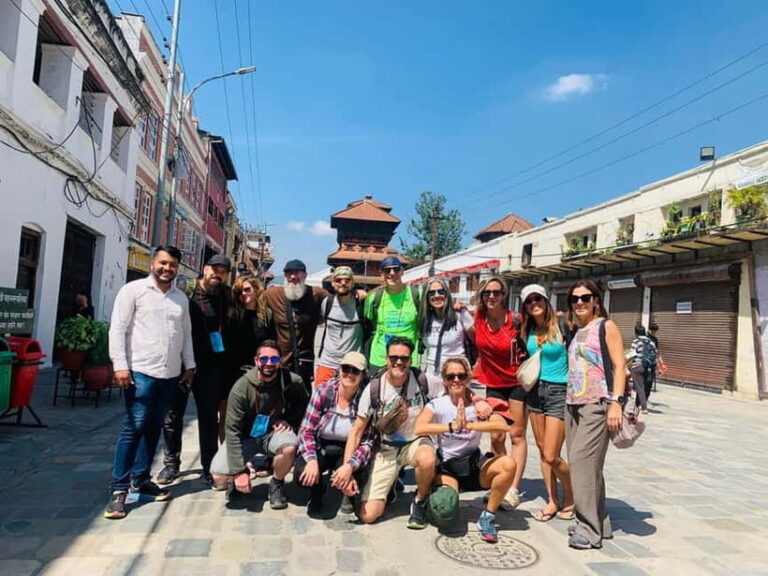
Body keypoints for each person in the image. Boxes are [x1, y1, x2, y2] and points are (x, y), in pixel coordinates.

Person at [104, 245, 195, 519]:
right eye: (163, 263)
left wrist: (189, 364)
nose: (167, 269)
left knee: (154, 427)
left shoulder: (181, 298)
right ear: (153, 263)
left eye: (172, 265)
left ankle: (141, 480)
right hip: (140, 372)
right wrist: (120, 365)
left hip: (169, 374)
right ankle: (119, 489)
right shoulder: (133, 291)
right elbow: (117, 329)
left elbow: (186, 334)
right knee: (134, 427)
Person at [331, 337, 439, 528]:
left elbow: (453, 388)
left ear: (411, 360)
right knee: (368, 515)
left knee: (427, 458)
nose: (399, 362)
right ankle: (390, 486)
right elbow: (356, 432)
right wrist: (348, 468)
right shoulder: (374, 388)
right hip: (385, 448)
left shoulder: (422, 380)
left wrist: (476, 400)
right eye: (394, 357)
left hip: (414, 442)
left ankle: (420, 500)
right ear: (386, 359)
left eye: (404, 358)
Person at [414, 357, 517, 543]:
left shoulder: (479, 406)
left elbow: (502, 426)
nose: (456, 380)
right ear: (444, 380)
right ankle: (428, 496)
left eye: (461, 376)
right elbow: (419, 428)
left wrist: (471, 424)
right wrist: (452, 426)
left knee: (508, 464)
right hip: (448, 468)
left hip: (473, 465)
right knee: (445, 513)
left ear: (468, 379)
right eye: (450, 376)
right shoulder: (438, 404)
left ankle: (488, 517)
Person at [159, 254, 231, 489]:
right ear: (205, 268)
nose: (217, 274)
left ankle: (209, 465)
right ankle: (171, 463)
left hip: (211, 366)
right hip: (180, 364)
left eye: (223, 271)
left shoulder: (226, 296)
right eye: (214, 269)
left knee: (209, 418)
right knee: (172, 415)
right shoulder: (185, 292)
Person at [210, 341, 309, 509]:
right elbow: (232, 432)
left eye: (274, 359)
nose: (269, 363)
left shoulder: (290, 380)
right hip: (245, 438)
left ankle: (276, 484)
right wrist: (239, 471)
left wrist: (288, 419)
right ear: (256, 361)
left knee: (290, 447)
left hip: (272, 434)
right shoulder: (241, 388)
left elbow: (304, 404)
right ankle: (241, 477)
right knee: (218, 475)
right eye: (264, 359)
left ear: (280, 361)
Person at [565, 279, 626, 550]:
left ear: (596, 301)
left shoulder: (606, 326)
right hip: (573, 405)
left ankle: (588, 531)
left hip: (597, 403)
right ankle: (598, 522)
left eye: (585, 297)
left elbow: (619, 365)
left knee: (580, 463)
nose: (580, 302)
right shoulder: (576, 329)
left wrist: (616, 403)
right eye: (575, 299)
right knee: (590, 467)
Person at [519, 284, 574, 523]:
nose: (534, 304)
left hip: (558, 391)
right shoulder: (527, 329)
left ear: (546, 300)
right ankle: (552, 500)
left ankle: (571, 495)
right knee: (542, 450)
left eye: (537, 299)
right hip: (535, 391)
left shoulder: (563, 324)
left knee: (552, 455)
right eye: (529, 301)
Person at [472, 275, 527, 510]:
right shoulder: (478, 317)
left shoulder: (515, 320)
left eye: (496, 292)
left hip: (516, 383)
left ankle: (512, 489)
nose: (492, 296)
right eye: (487, 293)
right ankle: (501, 479)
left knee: (516, 435)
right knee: (495, 436)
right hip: (492, 383)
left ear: (504, 295)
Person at [295, 351, 371, 514]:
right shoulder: (323, 391)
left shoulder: (367, 398)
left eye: (355, 371)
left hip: (349, 448)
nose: (349, 374)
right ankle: (317, 489)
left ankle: (348, 489)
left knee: (360, 468)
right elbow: (306, 430)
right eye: (346, 369)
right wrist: (311, 460)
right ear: (339, 369)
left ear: (363, 375)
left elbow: (367, 442)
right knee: (302, 472)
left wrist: (349, 466)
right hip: (321, 444)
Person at [265, 259, 327, 390]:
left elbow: (339, 299)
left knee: (302, 403)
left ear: (305, 275)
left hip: (304, 364)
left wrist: (357, 293)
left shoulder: (316, 295)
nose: (292, 277)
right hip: (280, 364)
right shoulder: (273, 294)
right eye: (288, 273)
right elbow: (252, 298)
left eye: (297, 273)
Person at [364, 256, 421, 373]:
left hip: (407, 359)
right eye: (387, 270)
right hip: (380, 358)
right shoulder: (374, 298)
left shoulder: (416, 295)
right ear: (381, 274)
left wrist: (457, 307)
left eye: (396, 269)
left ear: (402, 272)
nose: (392, 273)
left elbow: (438, 309)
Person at [417, 277, 474, 390]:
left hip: (457, 374)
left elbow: (477, 341)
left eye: (441, 291)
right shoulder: (424, 319)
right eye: (431, 293)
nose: (437, 295)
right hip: (432, 375)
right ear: (426, 297)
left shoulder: (460, 314)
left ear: (447, 294)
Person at [315, 266, 367, 386]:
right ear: (333, 283)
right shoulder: (326, 303)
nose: (343, 283)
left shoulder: (361, 304)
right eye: (338, 280)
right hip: (328, 362)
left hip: (352, 364)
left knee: (349, 402)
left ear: (353, 283)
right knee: (320, 400)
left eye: (347, 280)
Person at [224, 274, 276, 396]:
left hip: (258, 369)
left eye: (247, 289)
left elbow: (271, 341)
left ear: (256, 290)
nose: (243, 293)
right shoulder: (233, 315)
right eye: (239, 291)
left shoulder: (266, 315)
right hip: (234, 370)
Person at [629, 324, 653, 414]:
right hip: (648, 367)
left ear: (636, 333)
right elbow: (655, 352)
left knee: (639, 387)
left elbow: (632, 354)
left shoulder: (636, 341)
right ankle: (637, 404)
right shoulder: (650, 342)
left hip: (637, 366)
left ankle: (643, 407)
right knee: (643, 386)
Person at [646, 322, 667, 400]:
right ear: (649, 330)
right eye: (653, 331)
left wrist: (661, 365)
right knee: (644, 383)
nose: (654, 333)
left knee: (649, 383)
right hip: (644, 363)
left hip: (652, 364)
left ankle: (644, 400)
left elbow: (657, 353)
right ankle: (641, 402)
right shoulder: (645, 337)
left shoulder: (655, 339)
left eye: (655, 332)